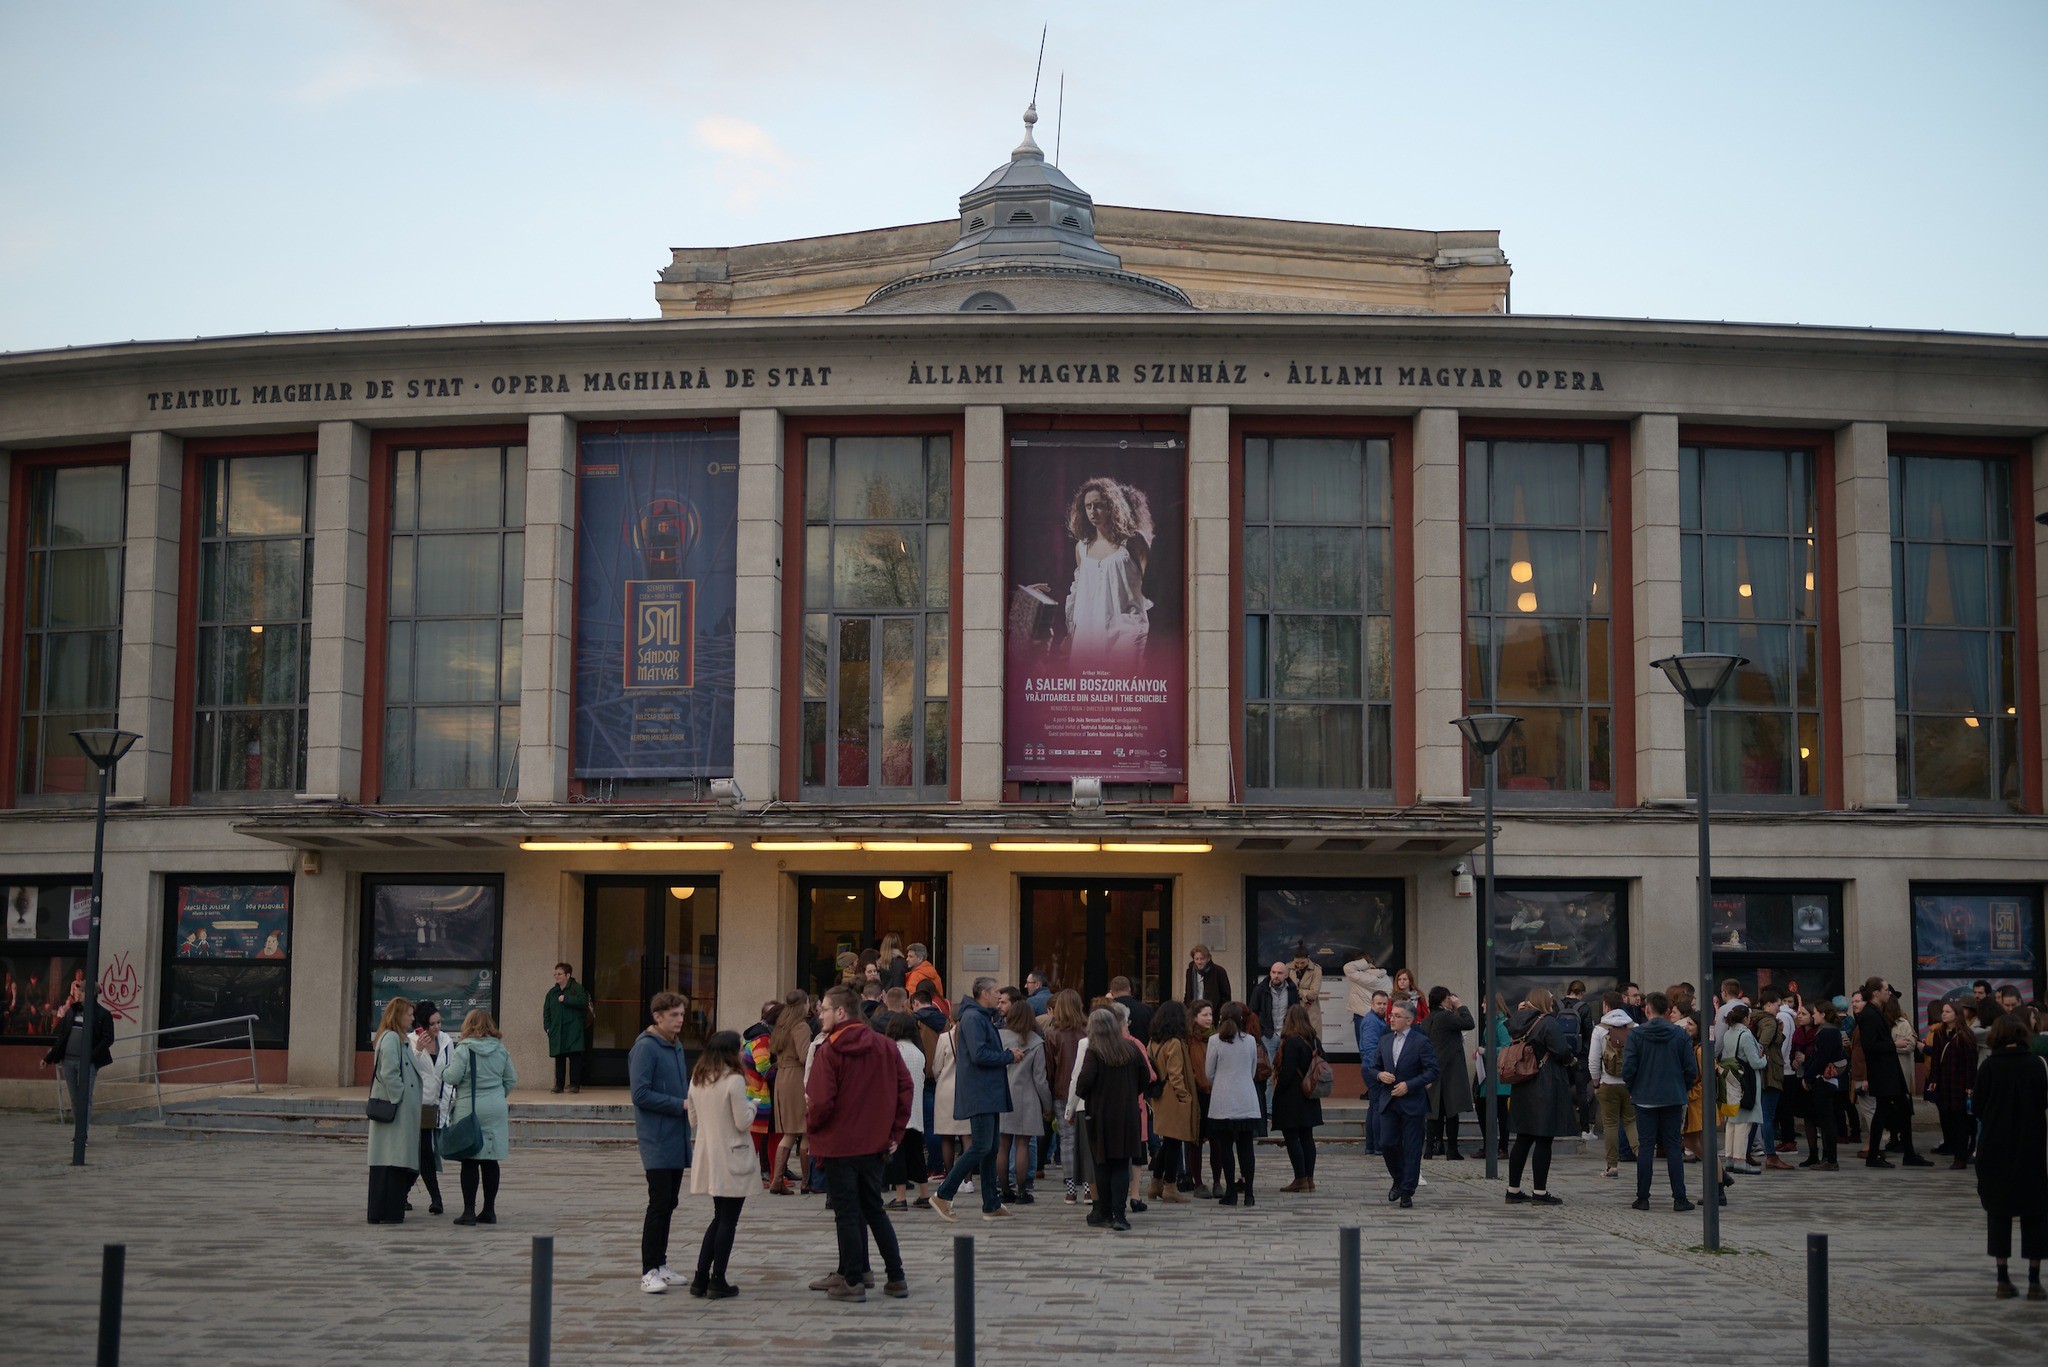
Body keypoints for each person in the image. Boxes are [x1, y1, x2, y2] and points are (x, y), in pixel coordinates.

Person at [806, 984, 912, 1302]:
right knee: (874, 1209)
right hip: (875, 1143)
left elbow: (820, 1102)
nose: (819, 1014)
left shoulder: (830, 1050)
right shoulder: (885, 1045)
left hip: (839, 1144)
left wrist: (813, 1128)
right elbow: (905, 1087)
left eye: (823, 1008)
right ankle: (895, 1276)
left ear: (840, 1012)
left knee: (847, 1213)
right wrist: (895, 1132)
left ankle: (852, 1280)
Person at [931, 977, 1018, 1222]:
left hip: (988, 1091)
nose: (998, 998)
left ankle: (991, 1203)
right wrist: (1008, 1056)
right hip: (980, 1092)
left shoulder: (980, 1017)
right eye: (995, 993)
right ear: (983, 994)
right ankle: (943, 1194)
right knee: (981, 1145)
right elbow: (979, 1054)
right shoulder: (973, 1018)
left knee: (990, 1148)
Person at [1973, 1014, 2047, 1299]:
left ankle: (2003, 1278)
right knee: (2036, 1213)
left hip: (1995, 1147)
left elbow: (1978, 1106)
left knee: (1999, 1213)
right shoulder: (2036, 1065)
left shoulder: (1990, 1067)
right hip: (2033, 1147)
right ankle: (2034, 1281)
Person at [676, 1030, 752, 1299]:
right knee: (728, 1220)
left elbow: (693, 1120)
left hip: (708, 1153)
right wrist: (752, 1107)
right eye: (740, 1048)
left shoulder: (698, 1079)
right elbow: (742, 1121)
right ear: (731, 1052)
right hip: (732, 1153)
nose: (743, 1053)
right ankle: (717, 1278)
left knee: (719, 1217)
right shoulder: (734, 1080)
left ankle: (700, 1277)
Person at [630, 990, 693, 1294]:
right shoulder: (646, 1048)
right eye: (674, 1015)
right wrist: (679, 1104)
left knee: (670, 1202)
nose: (680, 1020)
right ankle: (648, 1270)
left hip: (676, 1136)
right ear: (658, 1017)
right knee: (658, 1203)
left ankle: (662, 1263)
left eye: (682, 1014)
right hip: (656, 1136)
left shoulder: (676, 1046)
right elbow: (640, 1095)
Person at [1055, 476, 1152, 668]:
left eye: (1098, 505)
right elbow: (1077, 591)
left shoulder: (1133, 543)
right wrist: (1071, 633)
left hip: (1125, 630)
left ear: (1111, 506)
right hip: (1088, 633)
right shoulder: (1081, 548)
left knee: (1123, 690)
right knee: (1089, 693)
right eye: (1088, 506)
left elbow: (1149, 585)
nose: (1093, 512)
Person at [1623, 990, 1701, 1211]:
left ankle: (1642, 1197)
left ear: (1647, 1009)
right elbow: (1690, 1069)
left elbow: (1628, 1068)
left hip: (1645, 1097)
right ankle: (1679, 1198)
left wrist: (1634, 1088)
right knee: (1673, 1147)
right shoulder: (1680, 1035)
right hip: (1673, 1097)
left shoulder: (1636, 1035)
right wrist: (1681, 1088)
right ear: (1668, 1010)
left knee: (1646, 1147)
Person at [1500, 988, 1574, 1205]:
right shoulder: (1547, 1022)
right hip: (1545, 1084)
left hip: (1523, 1084)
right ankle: (1540, 1192)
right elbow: (1561, 1050)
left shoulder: (1517, 1021)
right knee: (1543, 1138)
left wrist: (1522, 1010)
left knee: (1523, 1139)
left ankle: (1513, 1189)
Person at [1074, 1007, 1145, 1230]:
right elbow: (1145, 1077)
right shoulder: (1131, 1048)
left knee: (1102, 1163)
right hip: (1126, 1113)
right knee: (1122, 1164)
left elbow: (1083, 1082)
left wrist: (1090, 1096)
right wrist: (1131, 1092)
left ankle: (1104, 1211)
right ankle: (1119, 1215)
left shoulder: (1094, 1051)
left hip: (1100, 1114)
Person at [443, 1009, 517, 1225]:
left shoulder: (464, 1049)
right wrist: (497, 1094)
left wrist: (442, 1072)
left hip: (470, 1105)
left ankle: (468, 1211)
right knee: (490, 1159)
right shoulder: (500, 1049)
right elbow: (511, 1079)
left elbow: (453, 1076)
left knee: (470, 1158)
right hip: (495, 1106)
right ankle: (489, 1210)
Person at [1370, 1000, 1439, 1208]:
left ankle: (1408, 1190)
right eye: (1392, 1015)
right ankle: (1399, 1178)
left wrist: (1409, 1085)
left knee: (1412, 1147)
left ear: (1409, 1020)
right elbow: (1373, 1067)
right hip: (1389, 1099)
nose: (1392, 1018)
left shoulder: (1420, 1041)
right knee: (1387, 1143)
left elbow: (1432, 1070)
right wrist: (1380, 1075)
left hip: (1412, 1102)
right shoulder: (1385, 1040)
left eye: (1397, 1016)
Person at [1857, 977, 1929, 1167]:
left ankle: (1905, 1154)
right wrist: (1894, 1044)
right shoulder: (1870, 1014)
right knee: (1887, 1111)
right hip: (1883, 1071)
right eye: (1886, 990)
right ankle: (1878, 1156)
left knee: (1900, 1110)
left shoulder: (1875, 1012)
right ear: (1876, 993)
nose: (1889, 993)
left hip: (1887, 1071)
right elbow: (1869, 1045)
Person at [365, 995, 422, 1225]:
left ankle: (389, 1210)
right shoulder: (390, 1039)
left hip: (400, 1111)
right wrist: (401, 1097)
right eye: (409, 1014)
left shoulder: (399, 1039)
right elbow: (389, 1073)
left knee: (395, 1160)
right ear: (398, 1015)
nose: (412, 1018)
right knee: (391, 1160)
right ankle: (386, 1211)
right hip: (395, 1110)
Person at [1201, 1002, 1263, 1206]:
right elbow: (1253, 1071)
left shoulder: (1214, 1041)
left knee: (1225, 1146)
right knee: (1246, 1147)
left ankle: (1230, 1192)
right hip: (1246, 1098)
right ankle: (1250, 1193)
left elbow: (1209, 1072)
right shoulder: (1250, 1040)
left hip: (1223, 1099)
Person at [997, 999, 1052, 1204]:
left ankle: (1004, 1190)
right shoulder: (1036, 1042)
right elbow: (1040, 1078)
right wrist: (1047, 1106)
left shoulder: (998, 1037)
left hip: (1002, 1095)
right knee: (1022, 1144)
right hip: (1027, 1098)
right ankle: (1022, 1191)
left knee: (1003, 1145)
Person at [40, 978, 113, 1130]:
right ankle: (78, 1130)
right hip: (68, 1061)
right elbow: (62, 1037)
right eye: (77, 990)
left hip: (87, 1062)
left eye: (81, 990)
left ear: (91, 994)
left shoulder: (103, 1014)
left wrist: (91, 1057)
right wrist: (48, 1058)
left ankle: (82, 1133)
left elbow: (108, 1039)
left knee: (84, 1098)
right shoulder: (72, 1011)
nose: (77, 993)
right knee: (74, 1099)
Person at [1146, 1000, 1198, 1204]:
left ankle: (1156, 1183)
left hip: (1159, 1096)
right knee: (1174, 1142)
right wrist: (1186, 1098)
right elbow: (1176, 1075)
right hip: (1173, 1097)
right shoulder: (1175, 1043)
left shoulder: (1153, 1041)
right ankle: (1170, 1185)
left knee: (1167, 1141)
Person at [407, 1000, 455, 1216]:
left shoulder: (446, 1040)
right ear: (423, 1024)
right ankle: (436, 1199)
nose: (437, 1027)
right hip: (421, 1104)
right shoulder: (411, 1041)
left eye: (439, 1022)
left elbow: (451, 1070)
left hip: (442, 1102)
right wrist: (418, 1051)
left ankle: (403, 1193)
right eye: (433, 1023)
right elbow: (409, 1071)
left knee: (428, 1152)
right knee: (425, 1151)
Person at [1041, 990, 1089, 1202]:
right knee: (1087, 1140)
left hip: (1061, 1091)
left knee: (1067, 1140)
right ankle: (1088, 1186)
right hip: (1087, 1091)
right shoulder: (1089, 1031)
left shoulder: (1052, 1034)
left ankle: (1071, 1189)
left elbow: (1049, 1069)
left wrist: (1047, 1097)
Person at [881, 1013, 931, 1210]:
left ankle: (900, 1197)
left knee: (898, 1155)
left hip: (897, 1110)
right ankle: (924, 1194)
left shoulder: (892, 1050)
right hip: (915, 1110)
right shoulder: (919, 1052)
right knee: (917, 1154)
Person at [1272, 1003, 1324, 1191]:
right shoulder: (1314, 1040)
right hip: (1310, 1093)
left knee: (1292, 1137)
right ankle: (1309, 1179)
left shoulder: (1292, 1041)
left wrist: (1277, 1094)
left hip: (1292, 1096)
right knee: (1307, 1137)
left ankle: (1300, 1178)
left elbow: (1286, 1073)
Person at [1717, 1003, 1768, 1192]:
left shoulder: (1729, 1033)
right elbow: (1754, 1062)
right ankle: (1739, 1160)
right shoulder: (1745, 1035)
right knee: (1744, 1123)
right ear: (1745, 1018)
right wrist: (1765, 1059)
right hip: (1746, 1080)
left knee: (1732, 1120)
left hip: (1731, 1079)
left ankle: (1729, 1158)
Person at [1421, 985, 1475, 1160]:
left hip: (1433, 1070)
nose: (1450, 1000)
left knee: (1434, 1112)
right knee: (1452, 1111)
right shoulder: (1446, 1016)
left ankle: (1430, 1148)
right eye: (1448, 998)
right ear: (1443, 1000)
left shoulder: (1428, 1019)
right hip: (1449, 1072)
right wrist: (1460, 1005)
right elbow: (1469, 1023)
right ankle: (1452, 1149)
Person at [1587, 991, 1637, 1177]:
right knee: (1631, 1122)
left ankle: (1612, 1166)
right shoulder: (1635, 1027)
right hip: (1630, 1084)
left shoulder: (1600, 1029)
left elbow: (1593, 1059)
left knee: (1610, 1125)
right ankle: (1642, 1157)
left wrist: (1596, 1082)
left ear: (1606, 1006)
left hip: (1607, 1083)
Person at [1926, 999, 1980, 1170]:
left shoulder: (1965, 1035)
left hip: (1959, 1083)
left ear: (1956, 1015)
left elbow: (1971, 1062)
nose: (1943, 1014)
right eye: (1943, 1011)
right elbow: (1935, 1058)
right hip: (1944, 1083)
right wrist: (1933, 1079)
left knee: (1961, 1121)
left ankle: (1960, 1157)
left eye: (1948, 1011)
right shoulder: (1940, 1033)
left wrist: (1969, 1085)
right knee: (1947, 1118)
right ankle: (1954, 1148)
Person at [767, 989, 811, 1195]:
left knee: (789, 1132)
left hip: (782, 1077)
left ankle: (777, 1180)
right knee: (804, 1130)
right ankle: (805, 1182)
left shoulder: (781, 1025)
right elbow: (805, 1057)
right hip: (796, 1078)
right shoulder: (801, 1026)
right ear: (803, 1004)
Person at [1799, 1001, 1847, 1168]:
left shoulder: (1827, 1032)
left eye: (1816, 1013)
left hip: (1823, 1080)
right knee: (1826, 1120)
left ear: (1823, 1014)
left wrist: (1809, 1077)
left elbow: (1820, 1058)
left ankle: (1831, 1159)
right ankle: (1828, 1158)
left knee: (1826, 1121)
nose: (1813, 1015)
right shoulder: (1830, 1030)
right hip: (1826, 1080)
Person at [1249, 961, 1300, 1090]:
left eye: (1280, 973)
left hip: (1287, 1035)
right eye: (1273, 972)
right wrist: (1259, 1032)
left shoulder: (1292, 990)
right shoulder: (1261, 989)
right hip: (1268, 1036)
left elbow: (1296, 1012)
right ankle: (1269, 1109)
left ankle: (1283, 1106)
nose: (1276, 975)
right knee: (1269, 1074)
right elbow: (1252, 1013)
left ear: (1286, 975)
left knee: (1287, 1072)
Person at [543, 962, 590, 1095]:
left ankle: (575, 1084)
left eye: (559, 974)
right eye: (555, 974)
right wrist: (548, 1028)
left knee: (575, 1057)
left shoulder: (577, 988)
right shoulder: (552, 993)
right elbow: (546, 1012)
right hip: (557, 1030)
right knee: (560, 1057)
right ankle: (559, 1085)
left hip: (574, 1029)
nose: (556, 976)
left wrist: (566, 999)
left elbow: (583, 1003)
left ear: (568, 975)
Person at [1357, 990, 1392, 1136]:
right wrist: (1378, 1072)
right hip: (1373, 1069)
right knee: (1378, 1106)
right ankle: (1377, 1145)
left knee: (1374, 1106)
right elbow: (1370, 1049)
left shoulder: (1378, 1019)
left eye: (1384, 1004)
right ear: (1372, 1004)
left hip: (1372, 1068)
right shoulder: (1371, 1021)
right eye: (1379, 1004)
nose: (1382, 1007)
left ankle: (1372, 1146)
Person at [1183, 944, 1231, 1010]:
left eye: (1202, 959)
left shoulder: (1219, 971)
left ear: (1208, 959)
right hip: (1194, 1011)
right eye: (1196, 959)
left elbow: (1225, 996)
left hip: (1213, 1012)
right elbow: (1188, 993)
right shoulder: (1190, 972)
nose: (1199, 962)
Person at [1108, 975, 1153, 1044]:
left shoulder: (1107, 1010)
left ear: (1111, 992)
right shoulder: (1146, 1010)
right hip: (1141, 1051)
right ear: (1129, 989)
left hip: (1114, 1052)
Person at [904, 943, 945, 1011]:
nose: (907, 959)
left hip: (921, 1014)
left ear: (920, 959)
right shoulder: (935, 974)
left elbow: (911, 1001)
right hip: (936, 1012)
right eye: (907, 956)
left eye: (911, 956)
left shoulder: (915, 975)